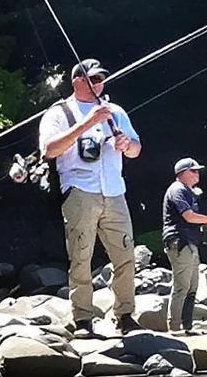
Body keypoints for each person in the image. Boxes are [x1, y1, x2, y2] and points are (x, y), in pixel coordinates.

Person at [39, 58, 142, 333]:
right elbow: (49, 149)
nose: (99, 83)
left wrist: (126, 144)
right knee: (81, 256)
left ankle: (125, 315)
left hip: (114, 190)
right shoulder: (59, 113)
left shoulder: (116, 111)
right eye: (93, 79)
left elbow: (136, 148)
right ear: (77, 81)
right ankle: (82, 318)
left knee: (125, 254)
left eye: (101, 78)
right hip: (79, 191)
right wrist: (87, 124)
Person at [161, 158, 207, 331]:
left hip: (189, 242)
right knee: (182, 287)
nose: (197, 174)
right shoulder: (177, 190)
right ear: (181, 173)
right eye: (193, 171)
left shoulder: (188, 192)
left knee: (192, 287)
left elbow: (193, 219)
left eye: (198, 171)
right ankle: (175, 329)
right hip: (180, 242)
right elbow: (188, 216)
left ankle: (187, 327)